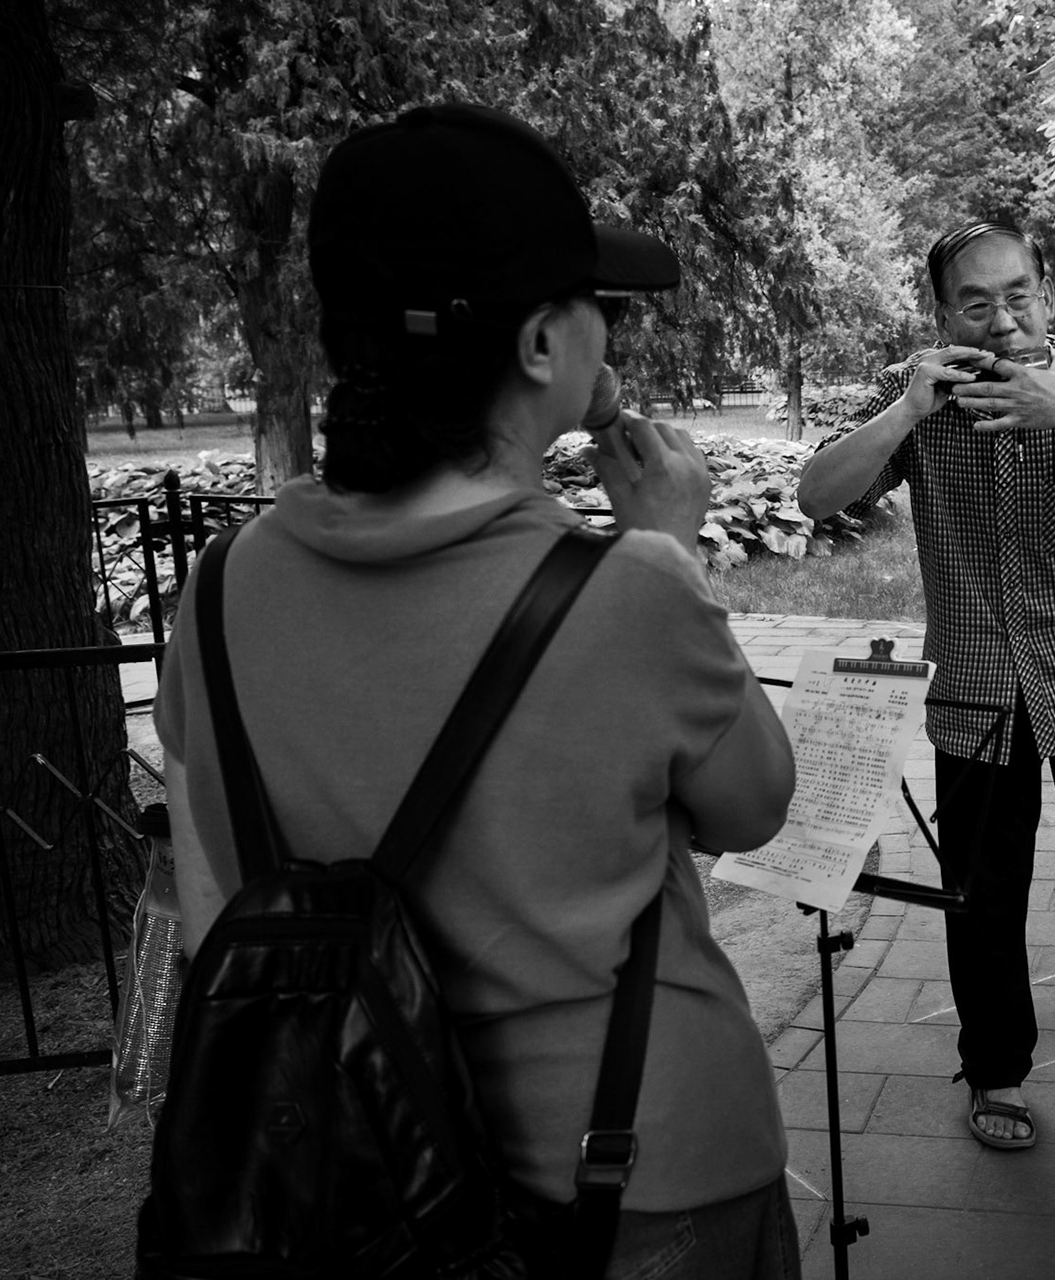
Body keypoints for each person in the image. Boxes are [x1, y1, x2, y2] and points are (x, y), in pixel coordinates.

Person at [155, 104, 802, 1276]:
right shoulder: (631, 591)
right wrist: (673, 548)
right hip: (636, 1180)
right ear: (542, 348)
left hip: (351, 1183)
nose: (613, 330)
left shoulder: (214, 594)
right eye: (596, 304)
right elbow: (756, 803)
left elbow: (218, 904)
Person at [798, 220, 1055, 1148]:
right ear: (943, 312)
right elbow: (816, 497)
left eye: (1019, 295)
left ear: (1048, 295)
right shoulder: (916, 389)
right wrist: (906, 414)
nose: (1003, 319)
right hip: (972, 684)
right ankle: (996, 1068)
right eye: (976, 302)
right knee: (982, 892)